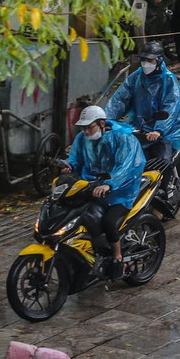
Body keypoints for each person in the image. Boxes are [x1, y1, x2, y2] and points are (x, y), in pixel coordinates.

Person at [60, 105, 146, 277]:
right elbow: (76, 158)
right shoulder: (81, 138)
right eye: (83, 128)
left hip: (121, 192)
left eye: (89, 127)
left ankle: (117, 257)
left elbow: (127, 167)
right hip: (91, 188)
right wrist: (69, 166)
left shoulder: (122, 138)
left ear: (101, 123)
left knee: (108, 222)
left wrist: (109, 184)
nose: (86, 131)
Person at [105, 41, 180, 168]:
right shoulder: (136, 77)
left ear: (159, 61)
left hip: (167, 130)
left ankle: (165, 185)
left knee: (162, 163)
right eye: (144, 60)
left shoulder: (168, 81)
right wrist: (105, 120)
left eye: (150, 61)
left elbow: (170, 108)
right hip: (142, 127)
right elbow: (120, 99)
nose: (146, 64)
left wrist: (158, 130)